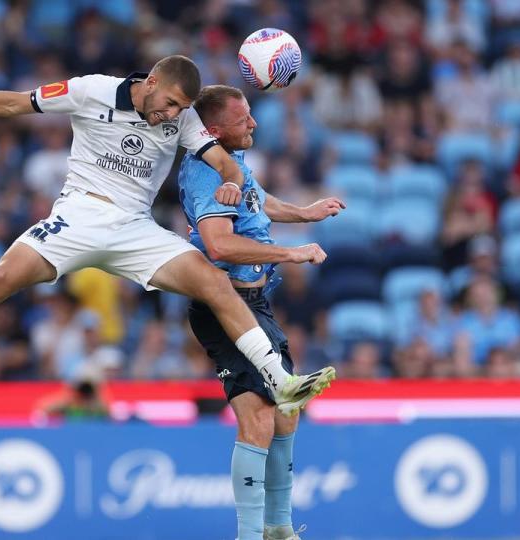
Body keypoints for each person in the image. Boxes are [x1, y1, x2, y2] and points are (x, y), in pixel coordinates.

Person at [0, 56, 335, 414]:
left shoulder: (186, 118)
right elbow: (13, 102)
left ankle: (280, 381)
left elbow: (224, 162)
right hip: (78, 216)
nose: (173, 114)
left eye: (181, 109)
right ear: (151, 82)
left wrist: (232, 179)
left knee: (213, 281)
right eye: (169, 103)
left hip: (134, 227)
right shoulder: (89, 91)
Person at [179, 85, 344, 540]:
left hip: (255, 303)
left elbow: (258, 200)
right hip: (225, 305)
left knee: (286, 412)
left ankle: (278, 527)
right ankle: (252, 534)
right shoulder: (205, 173)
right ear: (213, 130)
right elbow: (219, 243)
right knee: (258, 418)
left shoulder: (232, 164)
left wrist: (305, 213)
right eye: (243, 118)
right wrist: (290, 255)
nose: (253, 123)